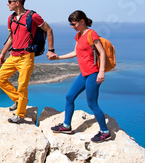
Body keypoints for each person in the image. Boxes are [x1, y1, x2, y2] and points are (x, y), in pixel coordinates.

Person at [48, 10, 111, 142]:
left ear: (82, 21)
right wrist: (58, 58)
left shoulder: (91, 34)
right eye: (71, 24)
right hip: (84, 74)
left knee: (92, 103)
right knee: (69, 97)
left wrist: (101, 72)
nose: (72, 26)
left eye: (74, 24)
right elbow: (76, 52)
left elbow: (102, 53)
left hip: (93, 73)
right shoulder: (78, 36)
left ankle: (105, 132)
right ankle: (66, 126)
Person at [0, 0, 55, 124]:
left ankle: (20, 114)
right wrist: (3, 53)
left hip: (26, 56)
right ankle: (18, 100)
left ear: (17, 3)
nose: (7, 4)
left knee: (22, 86)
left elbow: (49, 30)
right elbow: (11, 37)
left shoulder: (32, 16)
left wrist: (51, 50)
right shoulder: (11, 18)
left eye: (10, 2)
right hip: (13, 55)